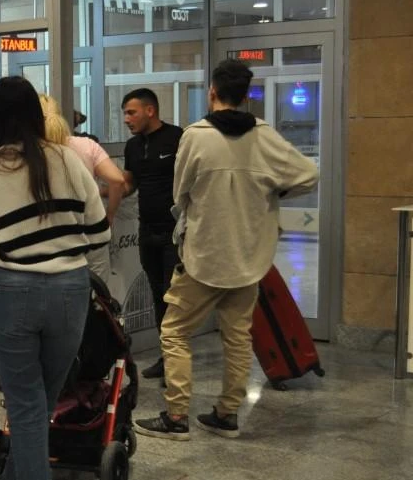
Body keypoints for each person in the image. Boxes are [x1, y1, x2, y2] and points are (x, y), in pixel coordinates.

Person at [0, 76, 110, 480]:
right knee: (40, 398)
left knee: (25, 404)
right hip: (70, 291)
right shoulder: (68, 158)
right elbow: (100, 231)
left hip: (11, 291)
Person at [134, 60, 319, 441]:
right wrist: (271, 190)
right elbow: (308, 175)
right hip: (249, 257)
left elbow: (180, 192)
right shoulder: (264, 136)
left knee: (173, 330)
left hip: (205, 254)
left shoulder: (196, 136)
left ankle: (176, 416)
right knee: (237, 336)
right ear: (246, 96)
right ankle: (227, 414)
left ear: (213, 92)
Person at [122, 88, 184, 381]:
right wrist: (101, 193)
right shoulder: (133, 147)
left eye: (131, 112)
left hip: (174, 233)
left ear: (150, 110)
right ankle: (166, 356)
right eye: (124, 113)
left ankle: (176, 361)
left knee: (173, 296)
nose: (126, 119)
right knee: (157, 295)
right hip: (147, 231)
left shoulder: (177, 138)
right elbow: (129, 184)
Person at [41, 96, 127, 283]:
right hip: (91, 232)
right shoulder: (86, 145)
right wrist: (109, 216)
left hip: (51, 239)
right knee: (97, 297)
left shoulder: (32, 153)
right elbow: (118, 180)